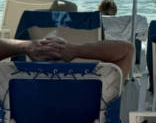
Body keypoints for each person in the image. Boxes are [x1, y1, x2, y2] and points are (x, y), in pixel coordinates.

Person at [0, 36, 134, 79]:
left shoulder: (14, 89)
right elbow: (127, 50)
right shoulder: (96, 94)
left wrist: (26, 46)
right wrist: (76, 50)